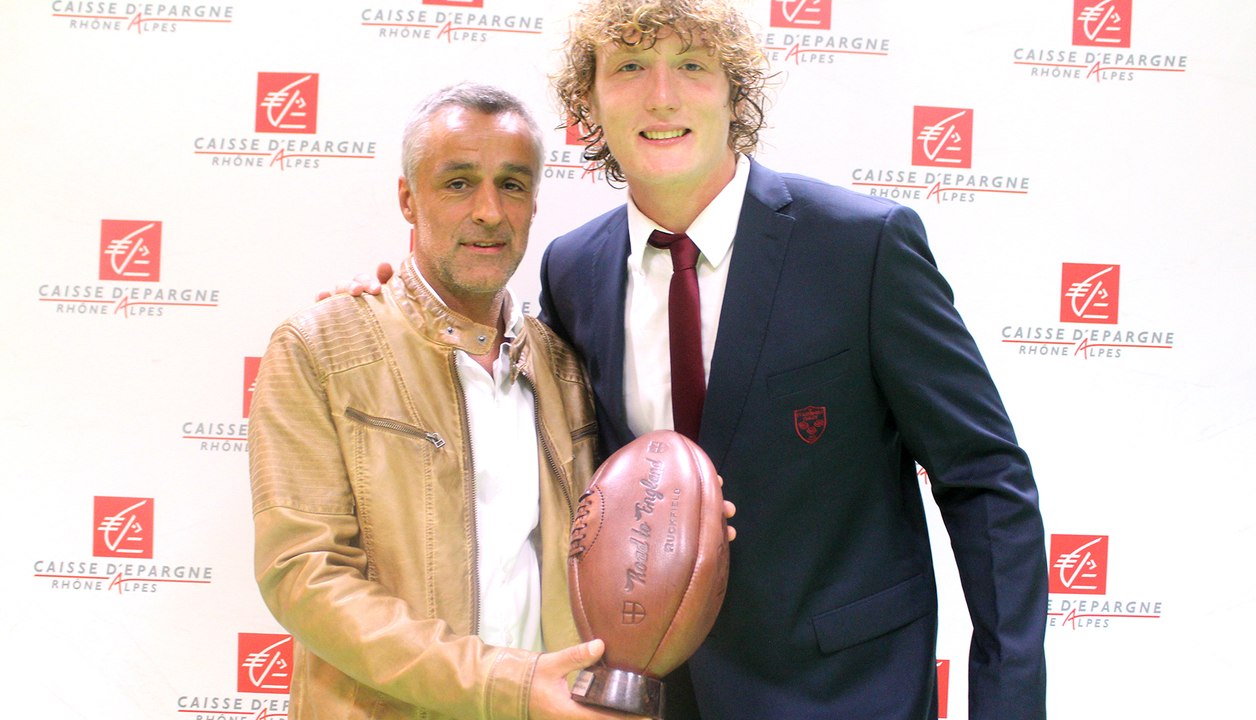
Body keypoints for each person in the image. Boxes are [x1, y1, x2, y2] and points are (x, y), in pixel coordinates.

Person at [340, 1, 1048, 718]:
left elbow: (985, 478)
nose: (661, 95)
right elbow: (522, 430)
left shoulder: (861, 248)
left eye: (691, 66)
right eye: (629, 68)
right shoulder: (572, 271)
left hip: (848, 693)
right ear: (589, 103)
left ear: (734, 92)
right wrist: (402, 306)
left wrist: (1009, 701)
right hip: (648, 700)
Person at [249, 82, 649, 720]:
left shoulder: (563, 366)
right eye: (458, 182)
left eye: (512, 184)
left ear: (535, 201)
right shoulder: (320, 348)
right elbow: (305, 575)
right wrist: (503, 684)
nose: (489, 211)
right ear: (408, 198)